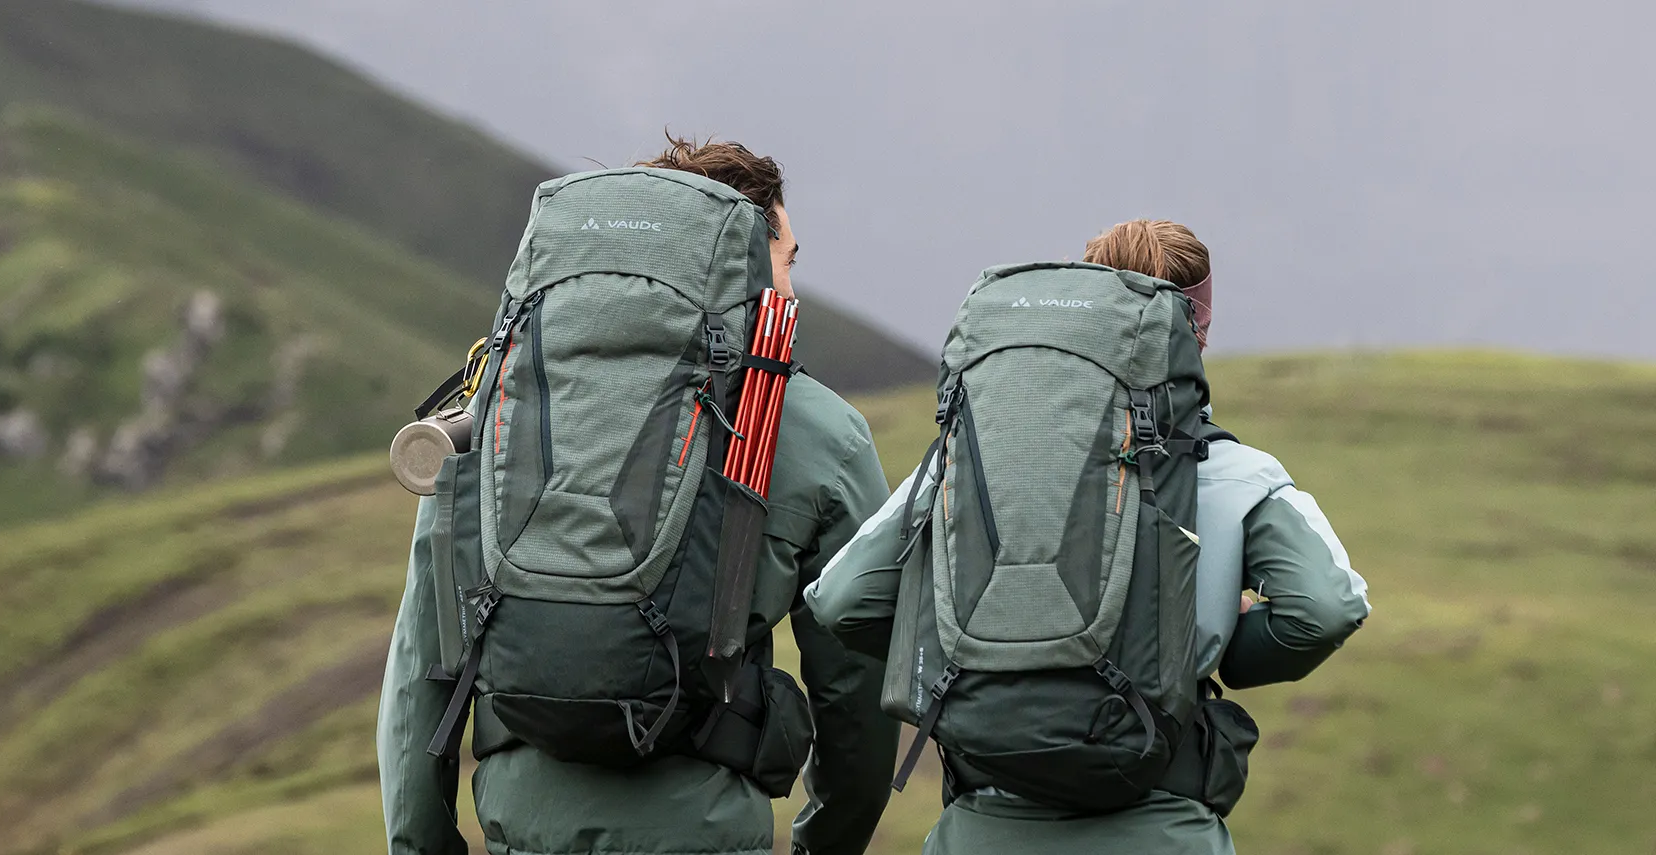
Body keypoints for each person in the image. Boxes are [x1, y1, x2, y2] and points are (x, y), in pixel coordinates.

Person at [378, 136, 899, 855]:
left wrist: (420, 845)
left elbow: (422, 663)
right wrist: (827, 841)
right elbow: (857, 691)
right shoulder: (821, 432)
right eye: (787, 259)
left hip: (520, 831)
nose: (793, 289)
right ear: (742, 262)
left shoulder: (500, 404)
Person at [804, 219, 1372, 854]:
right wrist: (1196, 648)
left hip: (980, 830)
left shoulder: (964, 462)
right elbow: (1326, 607)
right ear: (1197, 334)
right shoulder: (1237, 474)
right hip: (1161, 832)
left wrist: (966, 657)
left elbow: (840, 599)